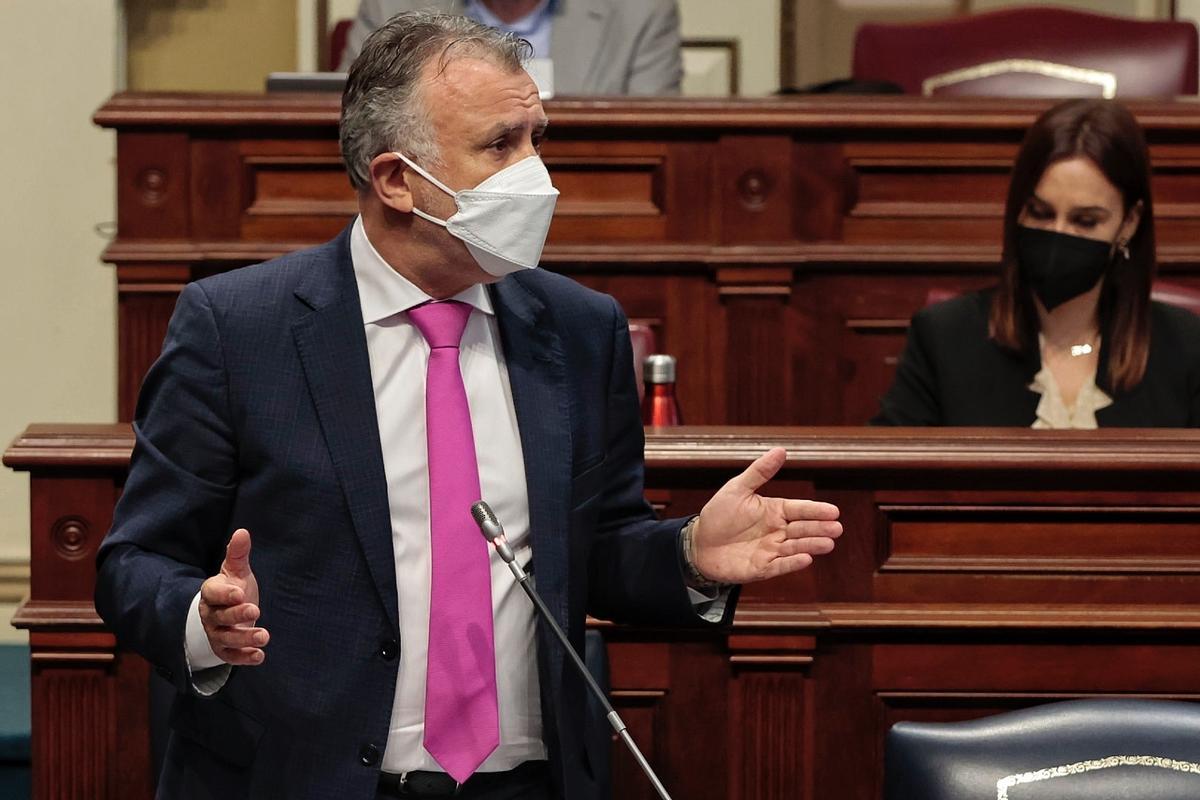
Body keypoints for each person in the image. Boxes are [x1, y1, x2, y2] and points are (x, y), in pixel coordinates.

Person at [94, 12, 842, 800]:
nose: (537, 174)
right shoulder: (238, 328)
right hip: (304, 776)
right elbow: (134, 561)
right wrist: (200, 621)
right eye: (499, 145)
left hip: (524, 781)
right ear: (395, 180)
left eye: (536, 138)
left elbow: (592, 555)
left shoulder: (580, 329)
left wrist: (687, 554)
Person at [874, 98, 1200, 428]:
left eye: (1085, 221)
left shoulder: (1185, 347)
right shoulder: (944, 337)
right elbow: (885, 473)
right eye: (1040, 214)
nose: (1058, 236)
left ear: (1129, 222)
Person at [337, 0, 683, 96]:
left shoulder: (642, 12)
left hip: (591, 219)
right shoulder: (389, 7)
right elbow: (356, 127)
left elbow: (657, 146)